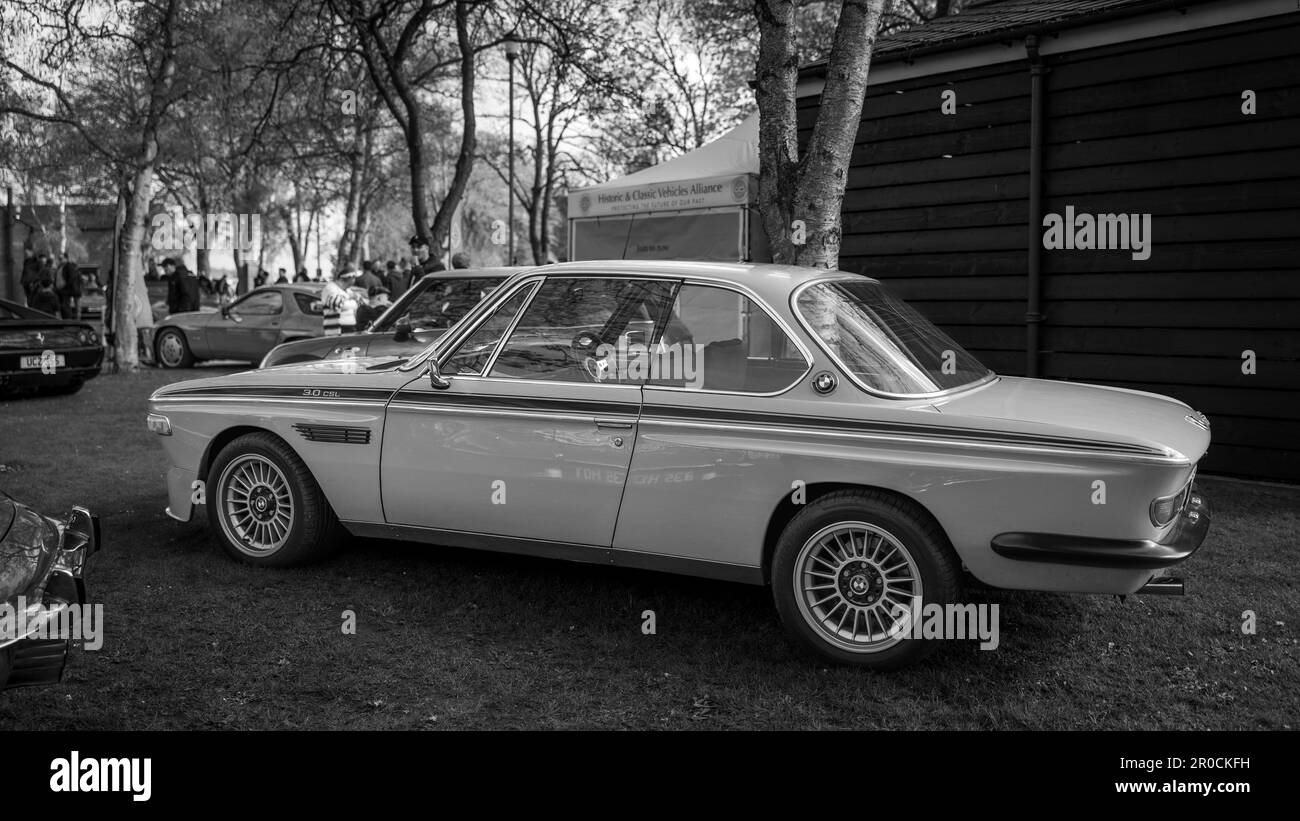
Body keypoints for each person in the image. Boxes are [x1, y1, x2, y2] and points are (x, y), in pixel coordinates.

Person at [321, 267, 361, 336]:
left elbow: (357, 303)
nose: (355, 280)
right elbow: (337, 304)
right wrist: (350, 298)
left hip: (350, 329)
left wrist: (349, 300)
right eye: (353, 278)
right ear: (346, 279)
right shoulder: (330, 288)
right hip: (336, 330)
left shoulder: (347, 290)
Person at [56, 253, 82, 320]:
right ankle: (71, 319)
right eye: (59, 259)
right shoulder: (62, 267)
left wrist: (65, 285)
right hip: (67, 291)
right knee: (67, 306)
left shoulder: (68, 266)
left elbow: (72, 278)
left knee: (73, 307)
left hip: (71, 290)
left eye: (61, 259)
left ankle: (74, 320)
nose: (60, 260)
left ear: (66, 258)